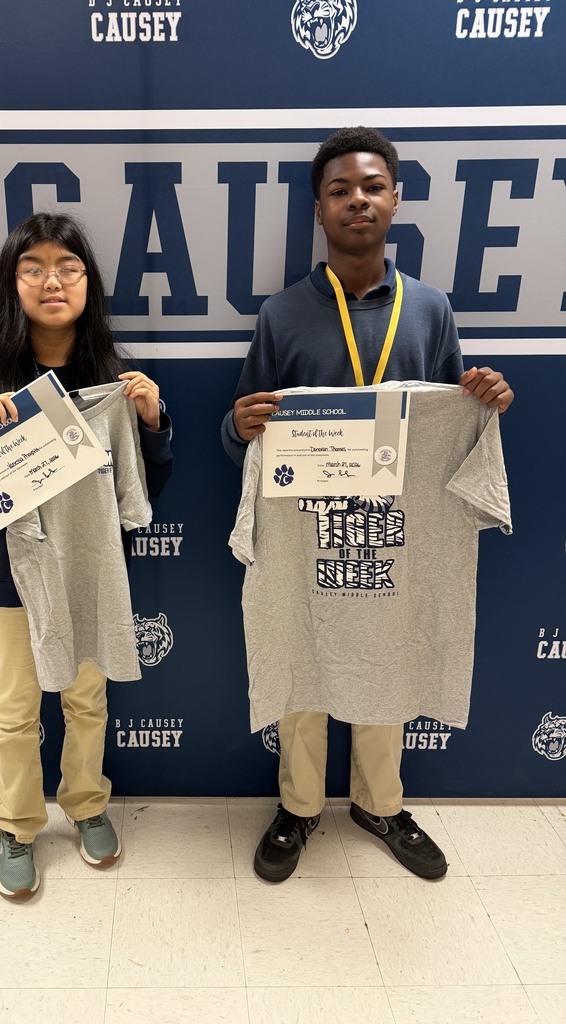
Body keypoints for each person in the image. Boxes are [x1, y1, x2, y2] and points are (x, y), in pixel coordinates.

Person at [221, 126, 513, 883]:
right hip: (305, 530)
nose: (359, 199)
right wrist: (238, 425)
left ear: (396, 200)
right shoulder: (281, 314)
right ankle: (299, 806)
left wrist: (484, 402)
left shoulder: (430, 309)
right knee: (302, 653)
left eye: (373, 186)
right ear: (318, 210)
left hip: (397, 531)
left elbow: (449, 422)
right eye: (341, 190)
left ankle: (381, 803)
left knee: (389, 652)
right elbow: (244, 431)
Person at [0, 212, 173, 898]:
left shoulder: (111, 379)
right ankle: (16, 825)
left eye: (68, 266)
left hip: (88, 571)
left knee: (86, 701)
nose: (51, 280)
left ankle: (88, 805)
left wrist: (150, 423)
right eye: (32, 267)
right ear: (12, 284)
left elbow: (143, 488)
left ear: (88, 283)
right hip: (7, 577)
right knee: (15, 708)